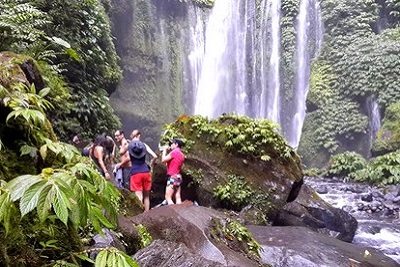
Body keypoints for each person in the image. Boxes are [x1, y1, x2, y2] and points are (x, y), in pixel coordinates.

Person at [126, 129, 157, 211]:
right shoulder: (144, 145)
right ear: (139, 135)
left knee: (139, 195)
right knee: (146, 196)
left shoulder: (129, 146)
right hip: (146, 171)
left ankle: (139, 215)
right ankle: (146, 214)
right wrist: (151, 164)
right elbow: (155, 156)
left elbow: (127, 159)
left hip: (135, 173)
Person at [161, 138, 185, 205]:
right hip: (178, 177)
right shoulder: (182, 155)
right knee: (178, 197)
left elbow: (163, 160)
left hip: (172, 177)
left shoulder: (174, 152)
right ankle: (179, 212)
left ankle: (172, 213)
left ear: (176, 144)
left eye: (172, 144)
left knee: (168, 197)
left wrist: (164, 151)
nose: (170, 145)